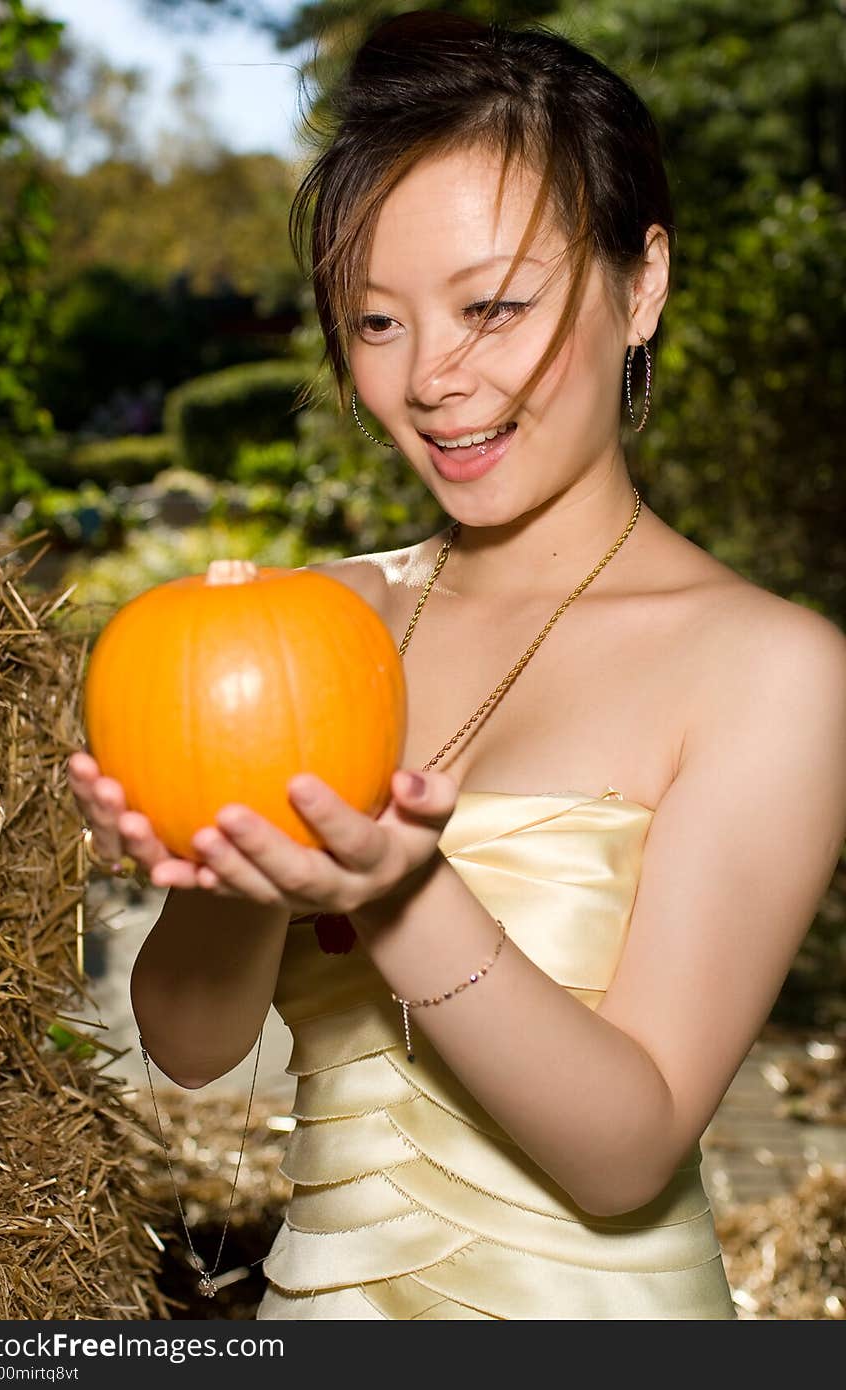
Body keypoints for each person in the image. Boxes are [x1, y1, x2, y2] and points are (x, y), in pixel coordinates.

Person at [68, 12, 846, 1320]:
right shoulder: (313, 624)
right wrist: (216, 875)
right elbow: (194, 1048)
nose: (434, 377)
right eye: (376, 321)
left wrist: (400, 894)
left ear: (640, 282)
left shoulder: (775, 670)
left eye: (493, 305)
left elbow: (627, 1148)